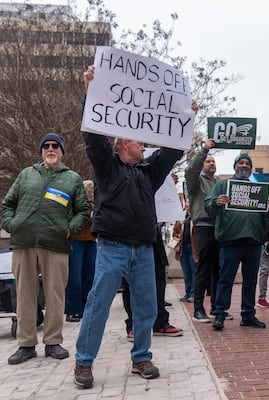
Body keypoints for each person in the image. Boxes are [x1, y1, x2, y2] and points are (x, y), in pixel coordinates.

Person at [73, 65, 191, 388]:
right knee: (98, 304)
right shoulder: (107, 167)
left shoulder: (149, 171)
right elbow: (92, 136)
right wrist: (90, 94)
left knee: (148, 306)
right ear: (124, 143)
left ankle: (141, 357)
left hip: (144, 248)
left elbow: (173, 149)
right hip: (112, 247)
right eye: (139, 142)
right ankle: (83, 363)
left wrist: (185, 117)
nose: (145, 146)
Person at [2, 133, 90, 365]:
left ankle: (53, 342)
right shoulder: (26, 175)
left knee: (55, 295)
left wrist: (70, 229)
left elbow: (83, 210)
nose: (50, 149)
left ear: (61, 151)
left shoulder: (72, 178)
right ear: (41, 151)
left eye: (55, 146)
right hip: (24, 243)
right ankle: (26, 345)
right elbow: (7, 205)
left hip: (56, 244)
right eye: (46, 146)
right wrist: (12, 225)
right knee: (25, 295)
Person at [205, 154, 269, 330]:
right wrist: (216, 202)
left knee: (250, 279)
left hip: (254, 240)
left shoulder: (260, 189)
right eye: (241, 163)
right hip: (230, 240)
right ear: (235, 166)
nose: (244, 166)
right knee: (225, 278)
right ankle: (220, 314)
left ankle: (248, 314)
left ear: (250, 168)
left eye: (247, 164)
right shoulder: (223, 185)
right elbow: (207, 206)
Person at [122, 224, 184, 340]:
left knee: (158, 279)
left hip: (153, 234)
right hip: (129, 232)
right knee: (130, 282)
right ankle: (133, 325)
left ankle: (160, 323)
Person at [184, 139, 220, 323]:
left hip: (220, 229)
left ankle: (216, 307)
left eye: (213, 161)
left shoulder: (219, 184)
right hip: (204, 227)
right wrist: (204, 150)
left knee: (217, 270)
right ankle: (198, 309)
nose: (211, 163)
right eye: (208, 161)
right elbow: (190, 170)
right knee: (203, 269)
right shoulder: (196, 182)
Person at [65, 179, 96, 323]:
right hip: (76, 242)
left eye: (92, 192)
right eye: (88, 191)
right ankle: (72, 309)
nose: (90, 194)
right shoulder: (75, 204)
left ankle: (86, 308)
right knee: (74, 277)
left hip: (91, 242)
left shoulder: (96, 205)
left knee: (90, 276)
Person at [173, 200, 195, 303]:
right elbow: (176, 231)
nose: (187, 204)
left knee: (193, 271)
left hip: (193, 247)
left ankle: (193, 294)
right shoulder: (182, 216)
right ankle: (187, 293)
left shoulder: (196, 216)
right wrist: (179, 222)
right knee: (186, 272)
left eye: (189, 202)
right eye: (186, 202)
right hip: (183, 247)